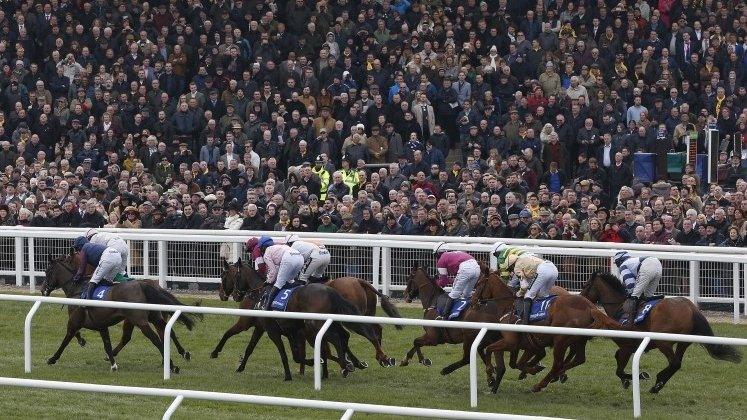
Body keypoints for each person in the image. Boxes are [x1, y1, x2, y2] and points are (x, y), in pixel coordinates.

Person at [493, 242, 558, 324]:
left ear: (511, 265)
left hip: (543, 270)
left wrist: (518, 294)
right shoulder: (523, 258)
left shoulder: (516, 267)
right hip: (553, 268)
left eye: (510, 268)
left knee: (528, 295)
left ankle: (525, 322)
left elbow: (524, 286)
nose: (511, 271)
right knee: (543, 295)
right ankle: (542, 314)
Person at [433, 242, 481, 319]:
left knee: (453, 294)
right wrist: (450, 280)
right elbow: (454, 279)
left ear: (438, 254)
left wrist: (436, 282)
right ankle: (469, 314)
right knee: (466, 294)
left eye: (435, 255)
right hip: (476, 268)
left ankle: (444, 318)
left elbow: (443, 283)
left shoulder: (441, 260)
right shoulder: (456, 254)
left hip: (465, 269)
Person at [613, 251, 663, 325]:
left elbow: (630, 284)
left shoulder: (623, 265)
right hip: (658, 265)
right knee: (647, 297)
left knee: (634, 297)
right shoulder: (632, 262)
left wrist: (630, 294)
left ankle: (630, 322)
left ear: (619, 261)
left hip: (647, 266)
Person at [258, 238, 305, 310]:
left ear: (263, 247)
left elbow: (273, 271)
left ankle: (267, 309)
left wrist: (268, 281)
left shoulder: (266, 254)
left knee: (278, 284)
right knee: (290, 281)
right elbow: (277, 270)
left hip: (289, 258)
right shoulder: (278, 248)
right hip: (300, 257)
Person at [71, 236, 122, 300]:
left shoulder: (84, 248)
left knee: (93, 281)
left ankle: (87, 302)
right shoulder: (92, 247)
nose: (77, 252)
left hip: (108, 257)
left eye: (76, 249)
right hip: (118, 257)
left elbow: (82, 268)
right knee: (107, 281)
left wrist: (76, 278)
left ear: (79, 247)